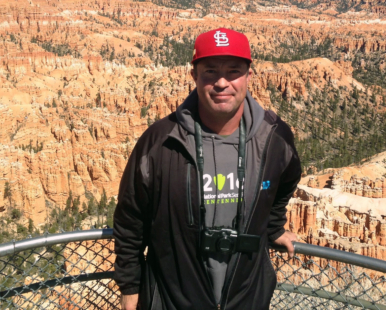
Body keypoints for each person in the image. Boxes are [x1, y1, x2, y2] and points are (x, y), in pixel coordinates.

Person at [114, 28, 302, 310]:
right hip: (172, 299)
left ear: (249, 76)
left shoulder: (274, 139)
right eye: (210, 71)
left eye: (234, 71)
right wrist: (130, 288)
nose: (222, 82)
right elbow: (130, 217)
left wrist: (273, 226)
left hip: (247, 298)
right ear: (195, 76)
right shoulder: (161, 142)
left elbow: (286, 181)